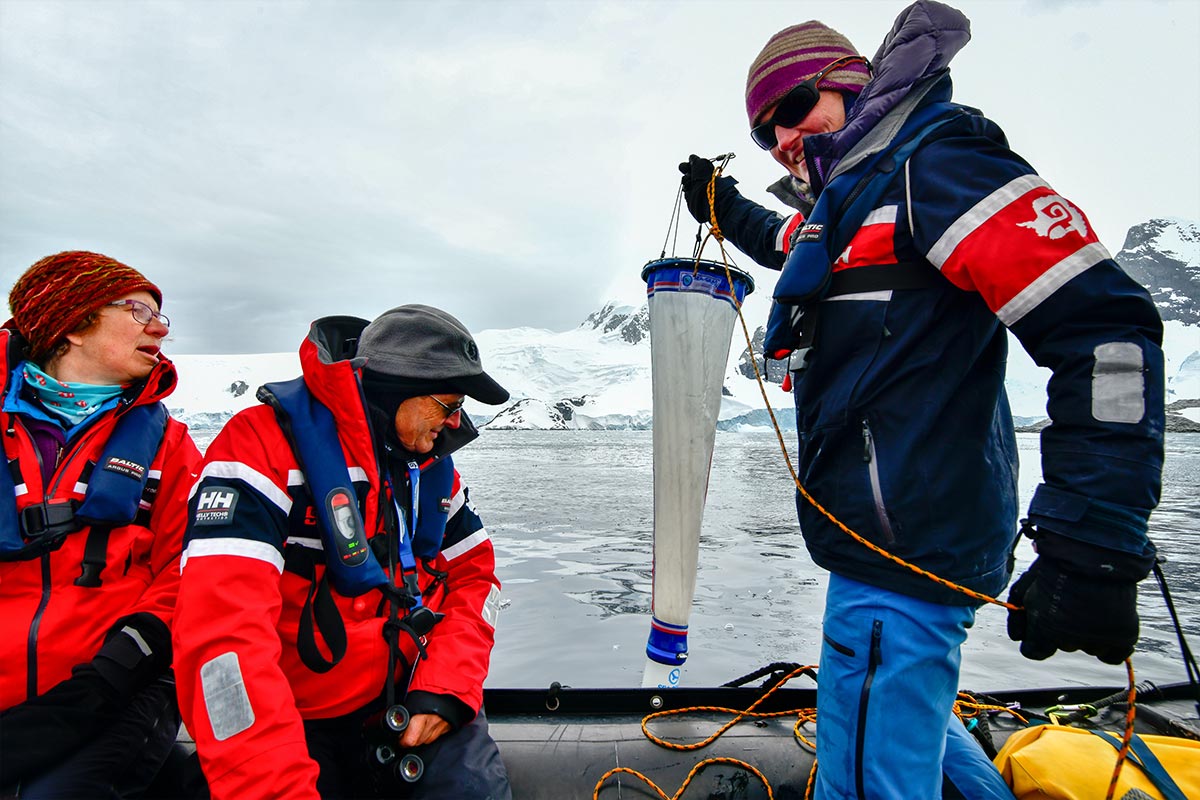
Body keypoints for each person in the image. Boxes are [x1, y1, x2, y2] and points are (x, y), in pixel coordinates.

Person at [678, 2, 1164, 797]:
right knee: (913, 721)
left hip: (902, 556)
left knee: (864, 775)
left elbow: (1106, 330)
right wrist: (723, 204)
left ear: (848, 85)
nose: (784, 139)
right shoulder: (852, 203)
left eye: (795, 108)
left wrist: (1094, 540)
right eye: (767, 132)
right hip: (882, 542)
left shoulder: (935, 167)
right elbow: (789, 243)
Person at [172, 305, 512, 799]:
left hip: (413, 698)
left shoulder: (435, 473)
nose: (456, 422)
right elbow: (220, 634)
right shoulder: (261, 448)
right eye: (447, 404)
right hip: (295, 719)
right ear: (399, 388)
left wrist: (447, 689)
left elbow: (476, 584)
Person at [0, 251, 202, 797]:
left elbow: (190, 567)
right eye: (138, 310)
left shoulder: (170, 446)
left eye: (161, 316)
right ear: (72, 323)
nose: (159, 326)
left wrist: (122, 662)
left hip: (113, 685)